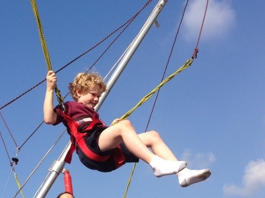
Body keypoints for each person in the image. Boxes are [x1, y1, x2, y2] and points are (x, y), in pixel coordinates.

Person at [43, 70, 211, 187]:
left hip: (103, 153)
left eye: (98, 96)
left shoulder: (93, 114)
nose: (96, 99)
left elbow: (101, 134)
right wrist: (50, 89)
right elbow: (49, 119)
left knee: (153, 136)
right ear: (79, 92)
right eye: (93, 94)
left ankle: (183, 174)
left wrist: (112, 128)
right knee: (125, 125)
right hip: (88, 147)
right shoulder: (70, 106)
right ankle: (155, 163)